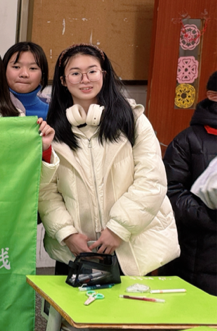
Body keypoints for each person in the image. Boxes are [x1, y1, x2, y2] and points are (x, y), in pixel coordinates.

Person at [39, 44, 180, 276]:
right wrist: (66, 233)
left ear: (104, 74)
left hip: (134, 248)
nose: (85, 79)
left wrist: (118, 229)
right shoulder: (52, 132)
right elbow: (45, 191)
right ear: (63, 81)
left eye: (92, 71)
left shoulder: (134, 121)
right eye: (75, 73)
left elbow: (152, 180)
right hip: (75, 252)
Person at [163, 71, 217, 294]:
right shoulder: (188, 140)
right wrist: (210, 217)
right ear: (213, 96)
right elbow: (170, 192)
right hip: (195, 257)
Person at [3, 41, 50, 120]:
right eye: (16, 67)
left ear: (43, 74)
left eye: (33, 68)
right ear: (3, 70)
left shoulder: (51, 113)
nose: (24, 74)